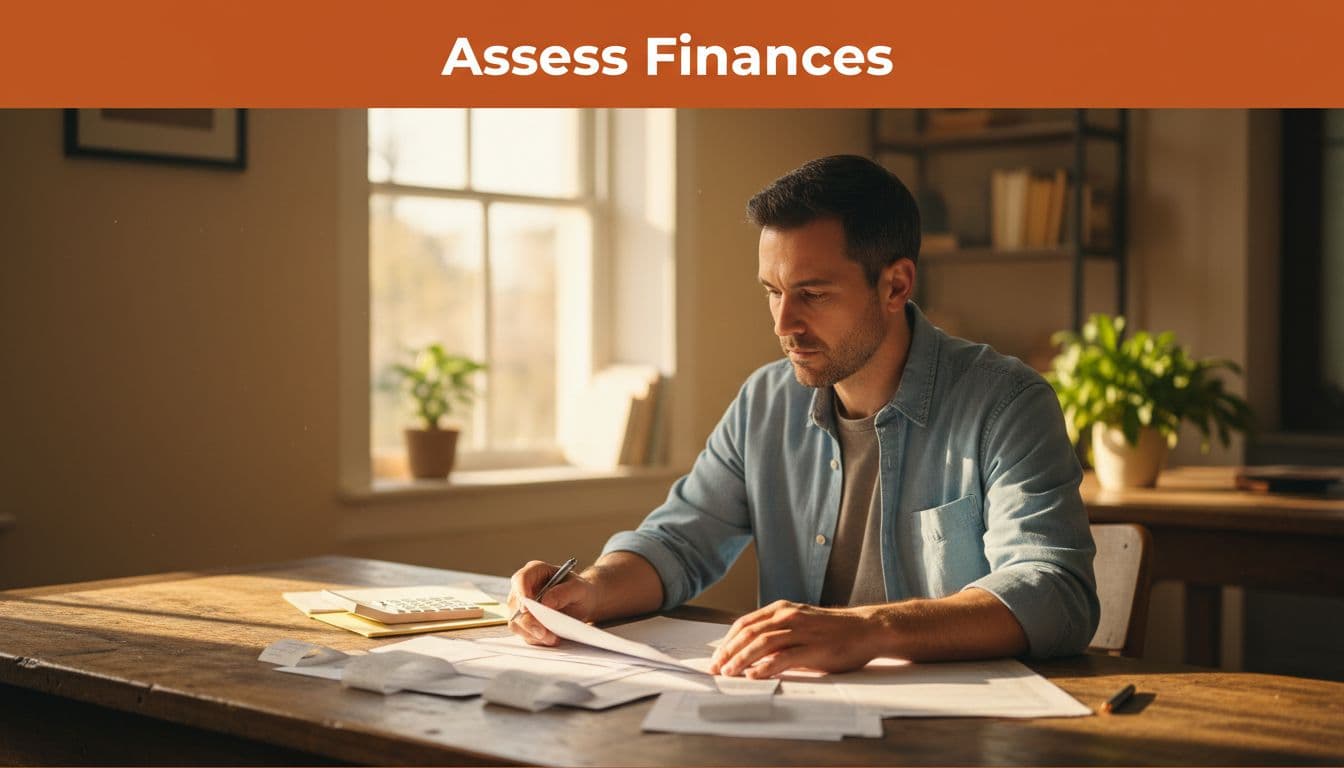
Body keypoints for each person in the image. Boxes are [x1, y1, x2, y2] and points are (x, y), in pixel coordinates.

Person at [508, 154, 1098, 679]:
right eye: (772, 290)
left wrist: (868, 630)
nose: (782, 323)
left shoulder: (1007, 402)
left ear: (896, 285)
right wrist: (590, 588)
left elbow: (1054, 593)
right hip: (793, 718)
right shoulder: (764, 402)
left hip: (957, 734)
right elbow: (678, 543)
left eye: (812, 294)